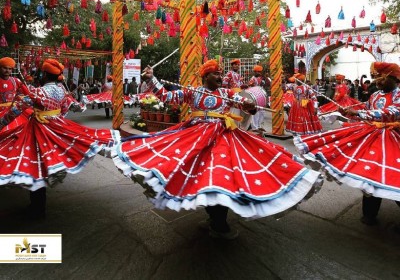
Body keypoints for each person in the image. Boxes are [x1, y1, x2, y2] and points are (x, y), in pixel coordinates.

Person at [111, 60, 322, 240]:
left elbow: (245, 102)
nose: (219, 77)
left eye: (220, 74)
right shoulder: (193, 92)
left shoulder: (227, 93)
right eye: (215, 74)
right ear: (205, 76)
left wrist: (250, 105)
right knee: (199, 176)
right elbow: (166, 97)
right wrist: (151, 79)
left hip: (223, 136)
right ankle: (215, 218)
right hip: (195, 137)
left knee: (220, 176)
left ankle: (219, 221)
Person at [295, 62, 400, 238]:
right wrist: (350, 111)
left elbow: (392, 112)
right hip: (372, 137)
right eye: (375, 78)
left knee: (396, 180)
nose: (377, 82)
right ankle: (369, 214)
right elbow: (366, 107)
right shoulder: (376, 95)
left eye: (381, 79)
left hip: (395, 138)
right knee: (369, 174)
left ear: (394, 78)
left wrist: (362, 114)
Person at [0, 58, 120, 219]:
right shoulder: (62, 91)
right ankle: (39, 204)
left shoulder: (38, 92)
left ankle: (37, 208)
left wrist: (2, 123)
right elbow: (65, 109)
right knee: (47, 160)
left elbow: (17, 109)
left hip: (39, 129)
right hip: (55, 127)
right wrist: (55, 119)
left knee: (35, 163)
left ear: (44, 74)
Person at [0, 57, 30, 131]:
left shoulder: (16, 81)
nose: (7, 71)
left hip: (11, 111)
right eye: (5, 68)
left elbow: (27, 94)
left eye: (10, 69)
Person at [247, 65, 267, 131]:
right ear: (254, 72)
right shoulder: (252, 79)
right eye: (257, 72)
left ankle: (259, 125)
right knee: (256, 111)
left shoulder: (262, 78)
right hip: (255, 97)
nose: (258, 73)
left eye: (260, 72)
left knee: (262, 111)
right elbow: (249, 87)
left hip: (261, 96)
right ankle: (254, 127)